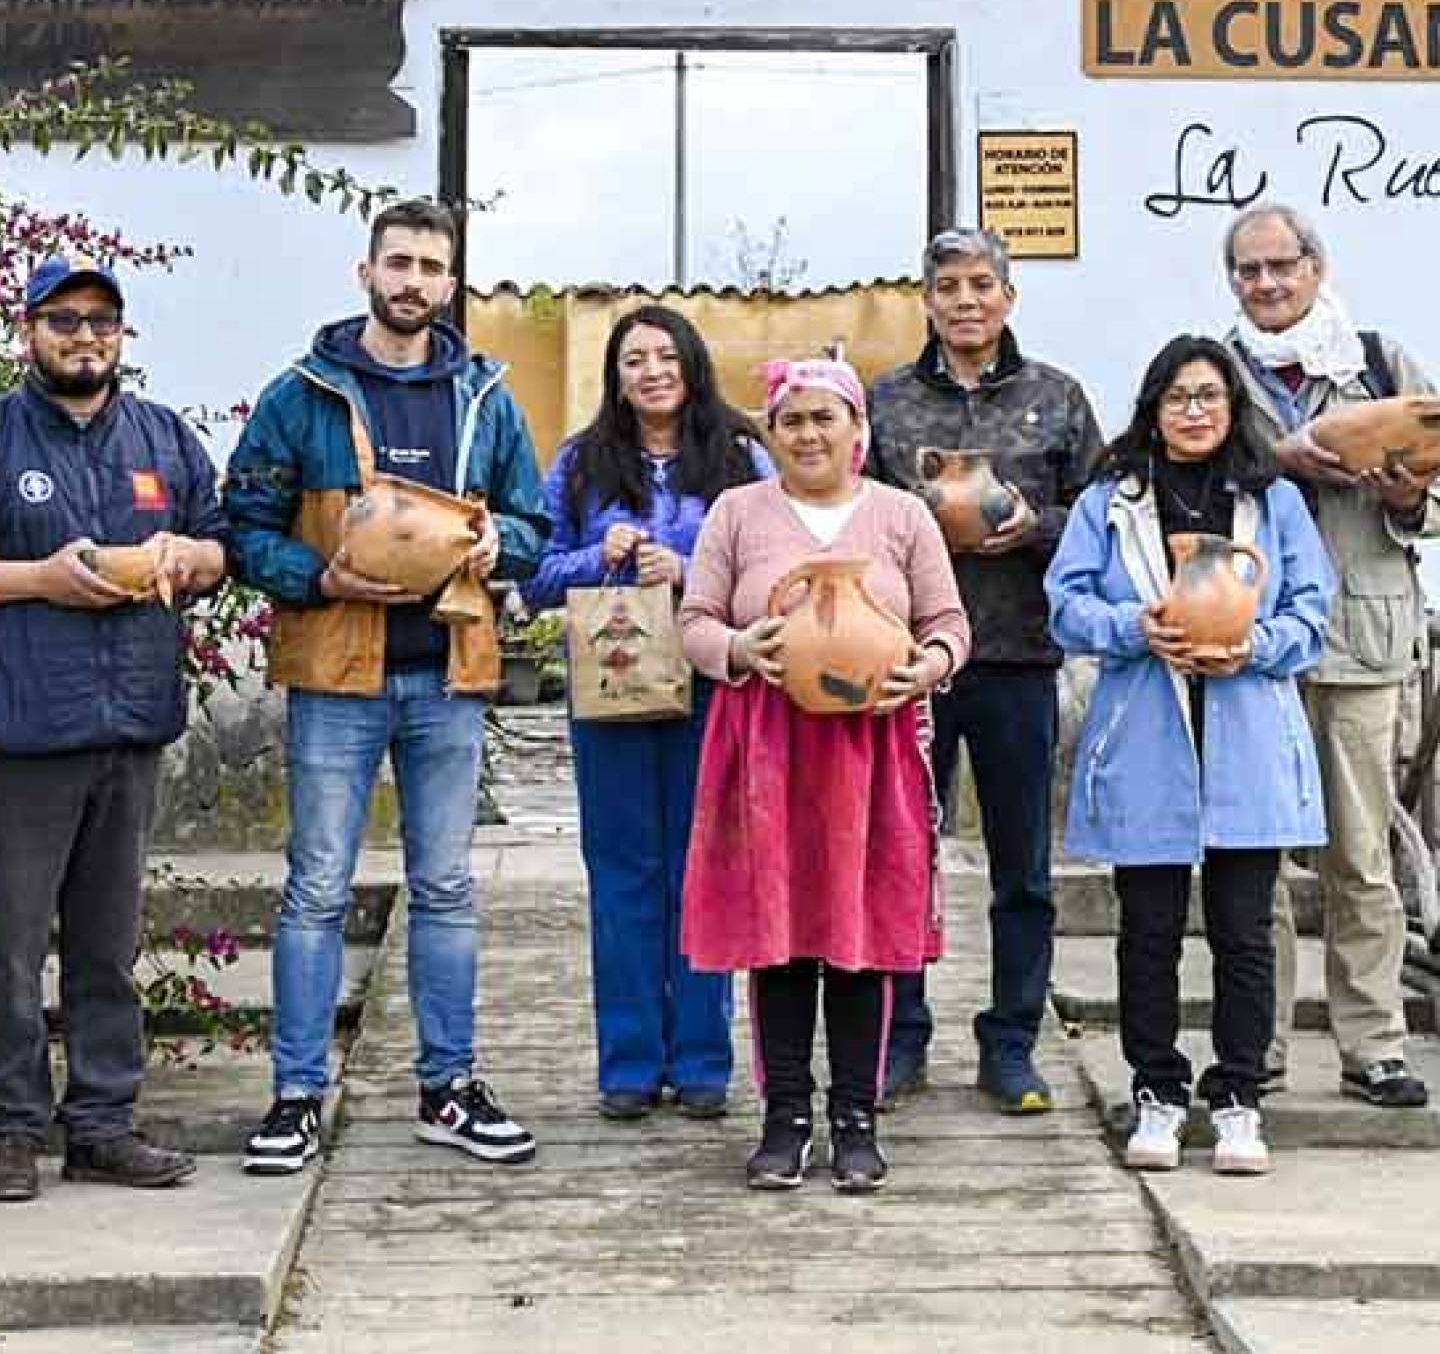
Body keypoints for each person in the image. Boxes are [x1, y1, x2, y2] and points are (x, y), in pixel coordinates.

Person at [227, 198, 549, 1175]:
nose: (413, 281)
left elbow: (535, 526)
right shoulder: (301, 393)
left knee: (447, 887)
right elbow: (242, 523)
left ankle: (446, 1090)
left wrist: (501, 546)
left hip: (449, 675)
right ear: (365, 272)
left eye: (431, 267)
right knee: (317, 887)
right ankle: (295, 1097)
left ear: (452, 284)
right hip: (337, 675)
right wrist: (316, 577)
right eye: (397, 262)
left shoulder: (488, 396)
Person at [678, 356, 969, 1193]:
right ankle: (784, 1119)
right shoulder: (739, 514)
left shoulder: (901, 516)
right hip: (766, 746)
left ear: (858, 432)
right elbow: (694, 620)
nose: (808, 433)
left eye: (824, 418)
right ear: (772, 434)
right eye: (792, 420)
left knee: (857, 937)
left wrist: (930, 665)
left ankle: (855, 1118)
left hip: (869, 753)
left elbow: (949, 622)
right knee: (777, 939)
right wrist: (737, 649)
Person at [1046, 335, 1332, 1174]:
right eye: (1178, 397)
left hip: (1242, 726)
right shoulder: (1113, 498)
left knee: (1245, 930)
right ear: (1153, 407)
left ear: (1232, 406)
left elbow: (1313, 611)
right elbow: (1065, 603)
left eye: (1209, 396)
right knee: (1150, 930)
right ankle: (1158, 1092)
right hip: (1148, 728)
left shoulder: (1272, 501)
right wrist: (1134, 628)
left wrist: (1256, 645)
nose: (1195, 411)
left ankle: (1239, 1095)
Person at [1219, 204, 1440, 1109]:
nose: (1267, 284)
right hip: (1249, 647)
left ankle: (1375, 1049)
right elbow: (1188, 487)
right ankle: (1260, 1048)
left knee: (1360, 858)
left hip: (1361, 643)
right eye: (1249, 270)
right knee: (1256, 864)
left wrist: (1407, 496)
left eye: (1283, 265)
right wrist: (1275, 460)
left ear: (1317, 267)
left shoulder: (1378, 363)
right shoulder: (1215, 372)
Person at [0, 255, 228, 1202]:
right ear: (27, 333)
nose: (85, 336)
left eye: (102, 321)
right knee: (8, 946)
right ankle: (12, 1130)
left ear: (122, 335)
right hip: (23, 730)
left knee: (106, 941)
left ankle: (101, 1122)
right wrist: (40, 581)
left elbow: (224, 547)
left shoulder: (163, 438)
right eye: (64, 320)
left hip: (132, 724)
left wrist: (192, 552)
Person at [867, 227, 1103, 1112]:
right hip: (910, 662)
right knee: (901, 854)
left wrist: (1036, 527)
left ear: (1008, 297)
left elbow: (1104, 509)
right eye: (949, 287)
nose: (966, 302)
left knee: (1023, 869)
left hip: (1016, 655)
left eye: (982, 285)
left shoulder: (1059, 399)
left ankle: (1012, 1043)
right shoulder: (885, 403)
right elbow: (850, 511)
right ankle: (901, 1034)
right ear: (926, 300)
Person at [522, 306, 769, 1121]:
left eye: (667, 355)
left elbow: (775, 571)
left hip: (715, 688)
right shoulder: (582, 463)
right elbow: (534, 575)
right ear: (616, 377)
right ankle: (629, 1063)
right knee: (624, 870)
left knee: (705, 864)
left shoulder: (739, 458)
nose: (653, 371)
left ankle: (702, 1060)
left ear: (692, 365)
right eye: (635, 360)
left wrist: (689, 565)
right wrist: (608, 555)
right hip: (613, 687)